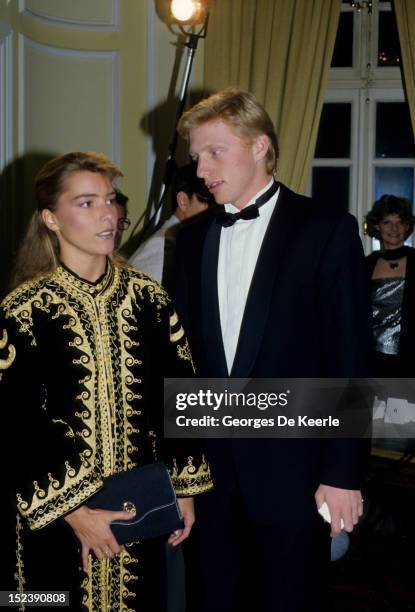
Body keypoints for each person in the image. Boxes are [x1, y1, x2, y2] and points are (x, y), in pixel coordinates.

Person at [174, 89, 371, 612]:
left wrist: (343, 474)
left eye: (214, 151)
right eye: (196, 156)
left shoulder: (326, 230)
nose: (201, 169)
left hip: (297, 473)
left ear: (260, 146)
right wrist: (183, 473)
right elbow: (185, 370)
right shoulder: (188, 243)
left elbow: (350, 360)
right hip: (212, 478)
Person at [0, 152, 213, 611]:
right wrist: (76, 513)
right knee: (46, 601)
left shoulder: (150, 300)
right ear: (51, 219)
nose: (108, 215)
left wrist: (186, 487)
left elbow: (178, 394)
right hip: (53, 519)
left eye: (110, 201)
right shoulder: (22, 312)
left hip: (139, 510)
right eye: (87, 202)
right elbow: (12, 425)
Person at [129, 163, 213, 292]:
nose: (214, 208)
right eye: (207, 200)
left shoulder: (180, 242)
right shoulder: (162, 246)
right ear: (183, 201)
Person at [365, 194, 415, 377]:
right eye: (387, 222)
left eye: (400, 222)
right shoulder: (365, 266)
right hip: (372, 361)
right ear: (377, 226)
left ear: (407, 226)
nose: (394, 228)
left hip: (410, 362)